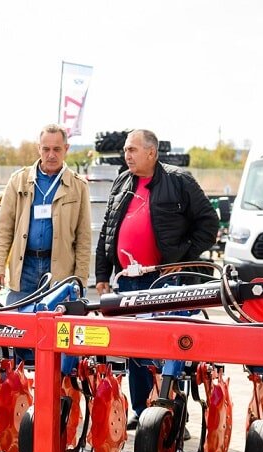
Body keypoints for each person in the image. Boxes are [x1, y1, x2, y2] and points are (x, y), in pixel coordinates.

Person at [95, 129, 218, 429]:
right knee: (134, 349)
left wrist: (181, 259)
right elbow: (107, 230)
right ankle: (140, 408)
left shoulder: (179, 181)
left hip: (162, 282)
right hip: (127, 282)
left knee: (167, 349)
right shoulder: (122, 182)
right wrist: (102, 274)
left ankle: (174, 414)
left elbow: (209, 223)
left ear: (152, 152)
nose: (127, 155)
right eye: (125, 150)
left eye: (133, 150)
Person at [0, 124, 91, 304]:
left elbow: (84, 238)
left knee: (57, 330)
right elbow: (3, 229)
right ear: (39, 148)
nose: (51, 155)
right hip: (24, 269)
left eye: (57, 149)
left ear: (66, 149)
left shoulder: (79, 186)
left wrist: (80, 279)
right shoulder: (18, 180)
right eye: (46, 149)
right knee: (19, 328)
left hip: (61, 272)